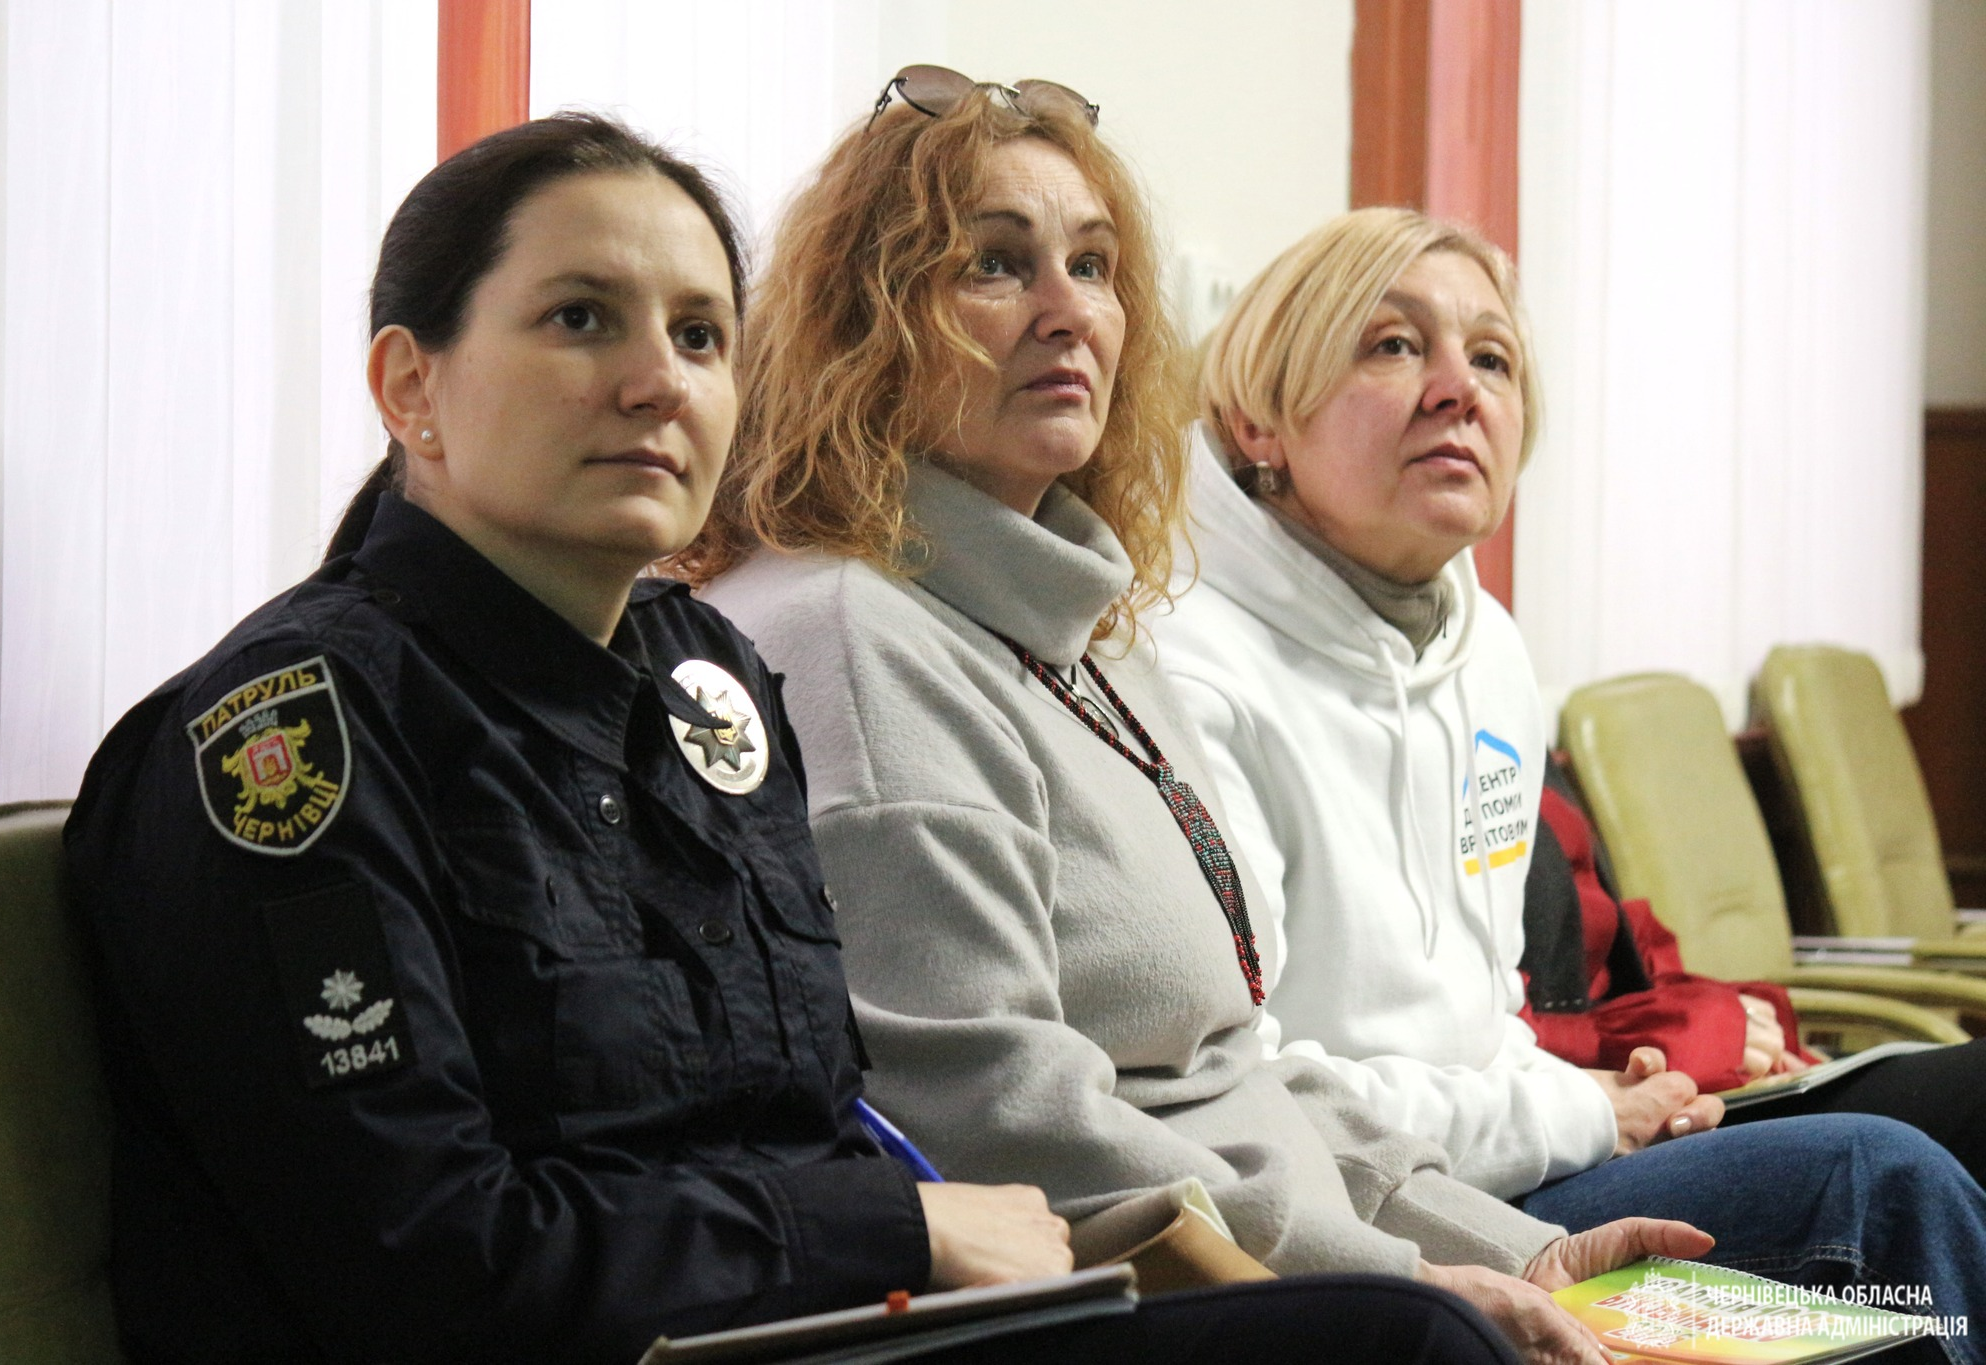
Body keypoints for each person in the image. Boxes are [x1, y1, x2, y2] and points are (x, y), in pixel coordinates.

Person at [61, 114, 1528, 1365]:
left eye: (700, 335)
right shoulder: (293, 743)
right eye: (580, 319)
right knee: (1405, 1345)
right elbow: (427, 1257)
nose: (658, 381)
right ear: (410, 386)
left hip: (832, 1319)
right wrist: (889, 1227)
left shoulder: (702, 681)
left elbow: (806, 1118)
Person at [682, 66, 1744, 1365]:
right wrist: (1413, 1280)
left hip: (1306, 1243)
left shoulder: (1084, 626)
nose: (1069, 311)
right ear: (870, 321)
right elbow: (1001, 1123)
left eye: (1094, 266)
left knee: (1832, 1240)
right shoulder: (852, 633)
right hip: (1095, 1298)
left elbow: (1229, 1066)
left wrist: (1505, 1248)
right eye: (996, 265)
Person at [1150, 206, 1986, 1360]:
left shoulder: (1483, 644)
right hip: (1375, 1218)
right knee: (1875, 1185)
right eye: (1392, 345)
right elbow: (1247, 1092)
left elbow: (1474, 1016)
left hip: (1519, 1153)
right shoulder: (1178, 671)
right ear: (1257, 420)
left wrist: (1601, 1087)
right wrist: (1578, 1110)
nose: (1458, 390)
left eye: (1491, 359)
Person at [1523, 760, 1986, 1182]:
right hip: (1602, 1113)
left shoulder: (1515, 730)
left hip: (1679, 1070)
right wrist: (1702, 1035)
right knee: (1894, 1153)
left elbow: (1612, 955)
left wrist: (1723, 1019)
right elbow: (1496, 1046)